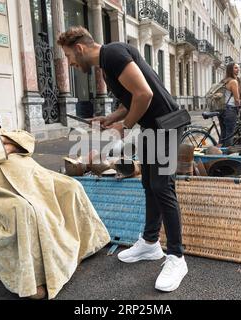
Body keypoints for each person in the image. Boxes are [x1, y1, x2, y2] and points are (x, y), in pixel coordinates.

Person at [0, 68, 110, 300]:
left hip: (35, 180)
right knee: (24, 210)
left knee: (71, 186)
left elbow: (27, 138)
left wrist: (6, 144)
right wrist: (10, 144)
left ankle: (86, 245)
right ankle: (31, 283)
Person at [58, 26, 188, 292]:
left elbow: (145, 94)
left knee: (163, 188)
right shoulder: (107, 66)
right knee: (150, 186)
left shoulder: (114, 53)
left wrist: (124, 126)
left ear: (80, 49)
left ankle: (177, 257)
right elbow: (131, 100)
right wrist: (111, 119)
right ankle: (150, 244)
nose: (70, 63)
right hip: (154, 128)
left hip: (168, 124)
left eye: (69, 57)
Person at [218, 62, 241, 147]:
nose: (238, 69)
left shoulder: (224, 81)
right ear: (230, 69)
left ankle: (220, 153)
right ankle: (228, 155)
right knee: (230, 134)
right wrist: (240, 107)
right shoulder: (233, 82)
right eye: (235, 68)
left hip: (222, 109)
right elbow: (237, 99)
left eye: (238, 68)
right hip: (230, 110)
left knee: (223, 133)